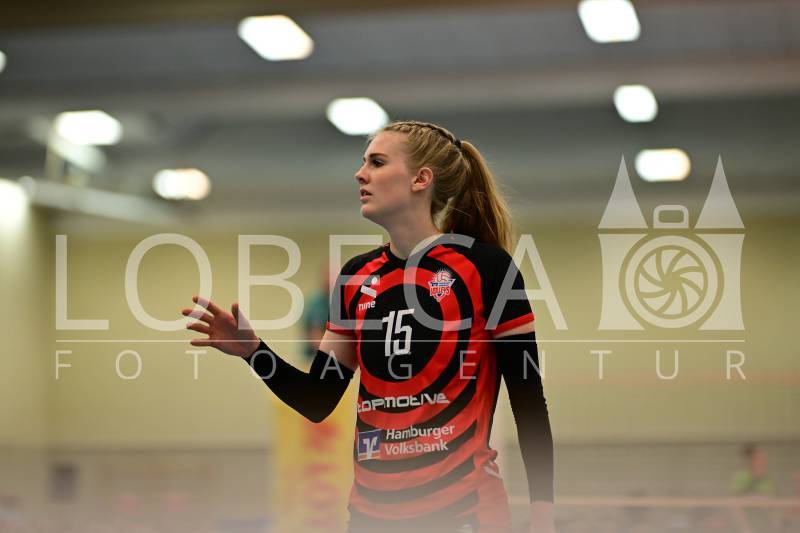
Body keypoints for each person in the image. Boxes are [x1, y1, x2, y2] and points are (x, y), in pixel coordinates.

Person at [181, 121, 555, 533]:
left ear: (420, 179)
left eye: (377, 163)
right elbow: (317, 399)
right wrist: (254, 352)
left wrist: (543, 515)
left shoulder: (487, 268)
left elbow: (528, 398)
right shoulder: (356, 278)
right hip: (371, 516)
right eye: (363, 163)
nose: (360, 174)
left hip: (464, 510)